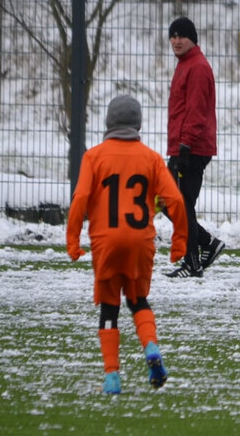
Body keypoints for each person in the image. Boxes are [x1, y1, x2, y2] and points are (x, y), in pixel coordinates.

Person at [67, 95, 189, 394]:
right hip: (139, 242)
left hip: (105, 242)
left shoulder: (94, 157)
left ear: (109, 122)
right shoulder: (150, 158)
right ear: (138, 124)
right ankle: (151, 348)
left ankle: (112, 377)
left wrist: (72, 241)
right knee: (138, 301)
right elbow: (174, 200)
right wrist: (179, 242)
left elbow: (80, 199)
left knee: (109, 309)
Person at [165, 16, 225, 278]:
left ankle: (192, 264)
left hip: (191, 148)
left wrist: (185, 146)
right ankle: (208, 244)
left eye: (182, 36)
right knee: (169, 201)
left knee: (180, 204)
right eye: (173, 35)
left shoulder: (197, 67)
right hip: (183, 146)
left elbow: (196, 111)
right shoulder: (185, 64)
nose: (177, 40)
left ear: (193, 39)